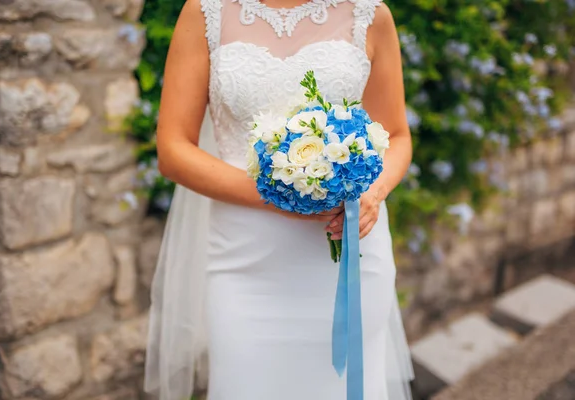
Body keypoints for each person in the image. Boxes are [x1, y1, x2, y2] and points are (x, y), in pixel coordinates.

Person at [144, 0, 414, 398]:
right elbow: (172, 150)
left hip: (347, 247)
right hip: (246, 259)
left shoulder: (368, 13)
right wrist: (284, 196)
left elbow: (396, 135)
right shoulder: (204, 12)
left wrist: (373, 193)